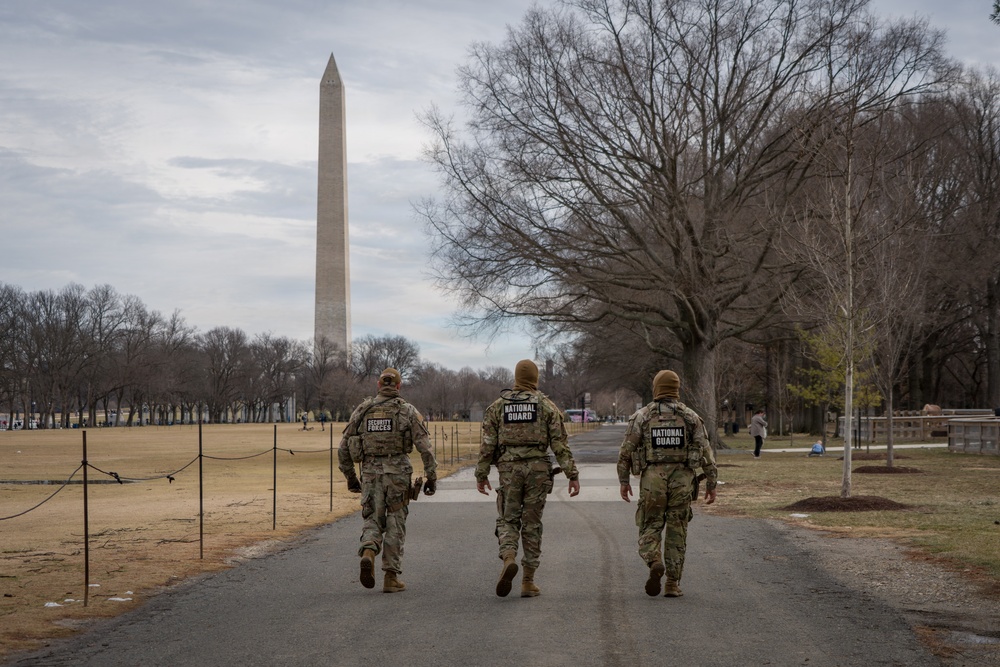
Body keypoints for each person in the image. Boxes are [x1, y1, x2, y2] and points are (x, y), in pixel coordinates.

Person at [476, 359, 580, 598]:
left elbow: (487, 445)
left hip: (509, 471)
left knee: (508, 519)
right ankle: (528, 581)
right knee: (532, 523)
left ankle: (509, 556)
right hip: (537, 471)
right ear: (535, 379)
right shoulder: (546, 406)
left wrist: (481, 474)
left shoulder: (497, 407)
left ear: (516, 378)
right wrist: (572, 474)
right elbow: (560, 444)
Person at [617, 370, 718, 598]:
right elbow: (706, 451)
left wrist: (624, 481)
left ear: (656, 388)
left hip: (652, 479)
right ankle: (672, 583)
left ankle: (654, 560)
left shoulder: (642, 416)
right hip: (683, 479)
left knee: (650, 524)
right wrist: (711, 482)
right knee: (677, 530)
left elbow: (626, 452)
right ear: (676, 388)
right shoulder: (691, 417)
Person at [338, 368, 437, 593]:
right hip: (398, 475)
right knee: (395, 522)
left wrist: (351, 478)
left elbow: (343, 448)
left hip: (370, 474)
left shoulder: (363, 410)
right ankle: (391, 578)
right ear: (399, 386)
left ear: (378, 385)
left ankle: (369, 551)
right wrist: (431, 476)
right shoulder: (407, 411)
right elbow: (425, 448)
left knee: (373, 518)